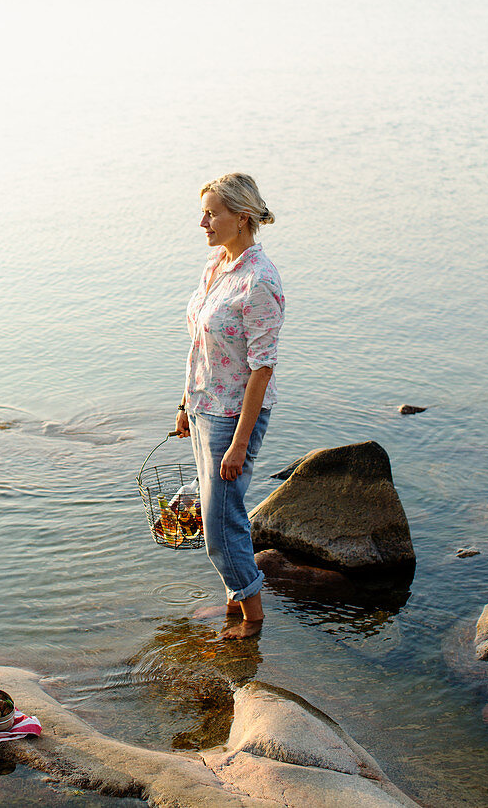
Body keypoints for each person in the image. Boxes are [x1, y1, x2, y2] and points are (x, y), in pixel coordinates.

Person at [176, 173, 284, 640]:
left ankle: (254, 619)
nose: (202, 222)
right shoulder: (217, 265)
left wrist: (239, 444)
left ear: (241, 218)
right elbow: (201, 344)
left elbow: (262, 369)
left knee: (221, 525)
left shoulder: (260, 281)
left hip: (233, 417)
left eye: (211, 213)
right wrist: (184, 404)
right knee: (215, 514)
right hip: (204, 405)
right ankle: (236, 598)